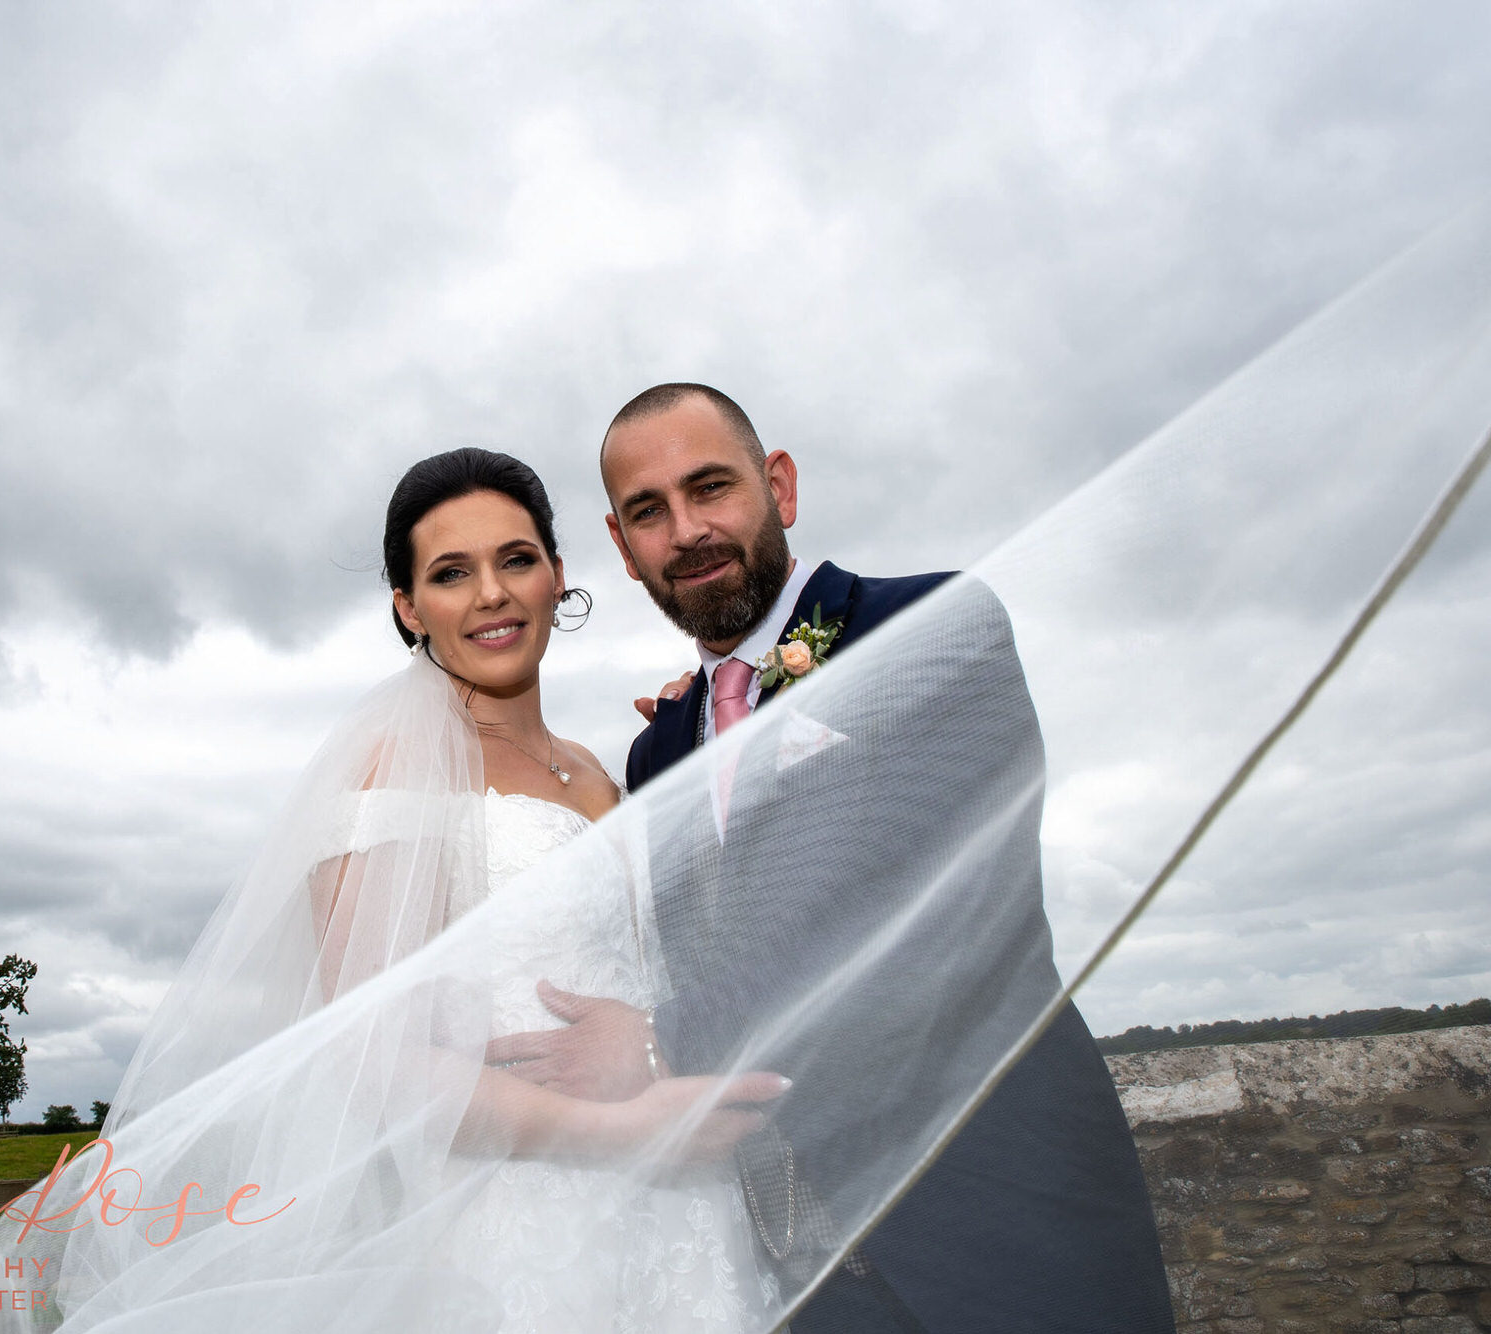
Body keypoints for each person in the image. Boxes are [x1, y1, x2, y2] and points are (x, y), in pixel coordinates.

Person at [0, 447, 791, 1333]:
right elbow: (377, 1066)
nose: (491, 593)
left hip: (688, 1221)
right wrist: (635, 1133)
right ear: (409, 607)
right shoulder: (391, 769)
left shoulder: (608, 774)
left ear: (559, 576)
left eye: (516, 559)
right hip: (521, 1244)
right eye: (451, 573)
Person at [483, 383, 1177, 1332]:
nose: (687, 530)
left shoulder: (935, 628)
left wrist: (653, 1044)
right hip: (788, 1269)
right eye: (650, 511)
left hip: (995, 1231)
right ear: (621, 544)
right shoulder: (661, 751)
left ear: (780, 486)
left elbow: (922, 926)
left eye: (711, 487)